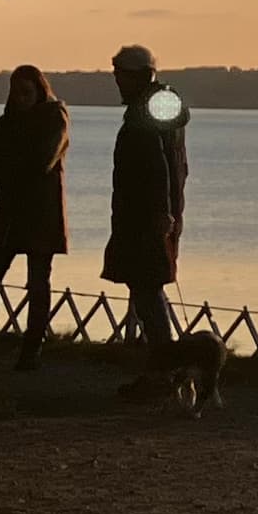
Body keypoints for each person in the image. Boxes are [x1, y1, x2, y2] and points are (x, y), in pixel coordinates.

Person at [0, 63, 69, 362]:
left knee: (38, 283)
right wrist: (17, 167)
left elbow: (43, 161)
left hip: (40, 214)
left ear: (39, 91)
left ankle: (32, 346)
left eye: (26, 92)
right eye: (16, 92)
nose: (21, 98)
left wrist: (10, 166)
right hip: (8, 213)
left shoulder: (55, 119)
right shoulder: (4, 124)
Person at [101, 42, 190, 364]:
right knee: (147, 290)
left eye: (121, 76)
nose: (117, 83)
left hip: (145, 218)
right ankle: (163, 364)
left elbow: (158, 168)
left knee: (147, 291)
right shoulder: (156, 110)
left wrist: (160, 212)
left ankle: (164, 368)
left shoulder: (146, 115)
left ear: (138, 76)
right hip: (149, 215)